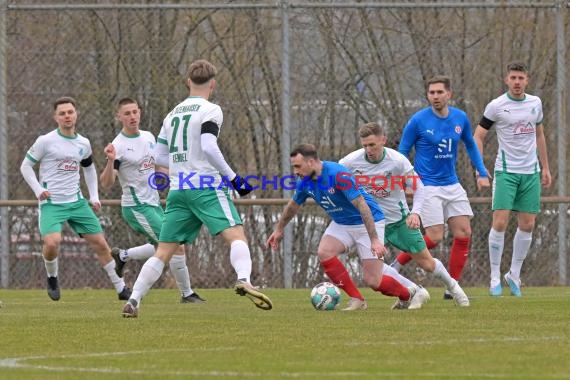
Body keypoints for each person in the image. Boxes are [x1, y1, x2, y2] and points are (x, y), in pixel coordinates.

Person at [121, 59, 272, 317]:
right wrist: (234, 179)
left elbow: (158, 157)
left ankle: (134, 299)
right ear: (212, 84)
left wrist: (183, 165)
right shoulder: (211, 109)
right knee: (236, 236)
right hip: (206, 185)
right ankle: (244, 280)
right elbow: (209, 146)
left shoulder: (172, 114)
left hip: (179, 189)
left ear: (188, 82)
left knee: (164, 251)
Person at [267, 144, 430, 311]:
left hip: (368, 221)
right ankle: (357, 299)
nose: (295, 171)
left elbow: (362, 205)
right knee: (325, 252)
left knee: (373, 281)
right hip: (342, 223)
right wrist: (279, 229)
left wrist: (374, 240)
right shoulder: (305, 182)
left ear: (310, 162)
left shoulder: (337, 174)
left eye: (297, 166)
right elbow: (293, 205)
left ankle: (408, 295)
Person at [340, 122, 469, 307]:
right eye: (365, 145)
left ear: (383, 140)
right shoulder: (351, 161)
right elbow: (334, 176)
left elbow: (419, 188)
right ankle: (412, 291)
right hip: (373, 224)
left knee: (427, 264)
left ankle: (454, 287)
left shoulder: (397, 160)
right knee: (372, 269)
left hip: (399, 221)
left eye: (372, 145)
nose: (368, 150)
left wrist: (415, 213)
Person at [20, 96, 131, 301]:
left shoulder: (83, 143)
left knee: (100, 244)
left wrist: (94, 196)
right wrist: (38, 190)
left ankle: (121, 288)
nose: (67, 116)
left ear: (76, 114)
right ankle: (52, 277)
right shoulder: (45, 141)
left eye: (70, 112)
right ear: (56, 118)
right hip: (52, 202)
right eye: (62, 113)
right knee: (52, 243)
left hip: (77, 202)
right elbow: (25, 166)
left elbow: (88, 169)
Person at [99, 97, 205, 304]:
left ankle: (123, 256)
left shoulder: (148, 136)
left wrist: (174, 174)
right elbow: (106, 183)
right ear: (118, 116)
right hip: (137, 207)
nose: (132, 116)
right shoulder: (118, 145)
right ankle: (187, 294)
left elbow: (159, 165)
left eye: (135, 112)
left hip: (153, 203)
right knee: (174, 244)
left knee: (164, 245)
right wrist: (111, 161)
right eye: (127, 113)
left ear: (140, 112)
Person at [393, 75, 490, 299]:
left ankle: (451, 287)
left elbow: (471, 144)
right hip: (427, 186)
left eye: (439, 92)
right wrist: (404, 182)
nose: (435, 96)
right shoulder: (418, 121)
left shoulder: (460, 118)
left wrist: (482, 171)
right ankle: (397, 264)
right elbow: (401, 154)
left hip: (452, 184)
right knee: (435, 237)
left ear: (449, 94)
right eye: (431, 93)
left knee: (464, 232)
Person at [473, 61, 551, 297]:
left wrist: (545, 167)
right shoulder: (496, 106)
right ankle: (495, 276)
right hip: (506, 171)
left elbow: (539, 134)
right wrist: (479, 170)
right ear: (506, 80)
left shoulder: (535, 103)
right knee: (500, 222)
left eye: (521, 78)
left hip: (531, 171)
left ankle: (514, 275)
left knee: (528, 224)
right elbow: (478, 136)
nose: (517, 82)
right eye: (513, 78)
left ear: (527, 80)